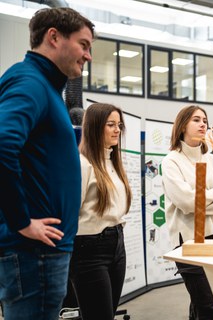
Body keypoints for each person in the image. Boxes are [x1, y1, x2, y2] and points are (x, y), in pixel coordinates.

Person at [0, 7, 94, 319]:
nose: (88, 55)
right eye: (83, 44)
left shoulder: (44, 87)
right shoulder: (31, 83)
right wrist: (21, 221)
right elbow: (2, 145)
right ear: (53, 37)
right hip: (34, 253)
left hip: (43, 252)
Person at [162, 105, 213, 320]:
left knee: (211, 304)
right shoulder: (171, 161)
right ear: (183, 124)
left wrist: (202, 197)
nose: (203, 124)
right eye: (196, 119)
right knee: (208, 306)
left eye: (204, 119)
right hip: (188, 241)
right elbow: (186, 202)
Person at [68, 103, 132, 319]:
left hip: (117, 244)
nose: (117, 130)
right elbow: (70, 212)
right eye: (111, 125)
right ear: (95, 127)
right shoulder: (82, 164)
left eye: (119, 125)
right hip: (89, 248)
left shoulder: (113, 162)